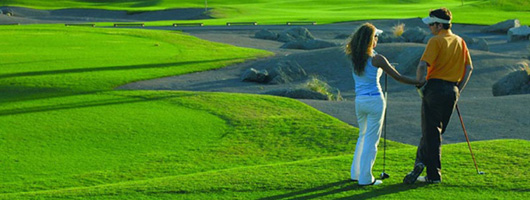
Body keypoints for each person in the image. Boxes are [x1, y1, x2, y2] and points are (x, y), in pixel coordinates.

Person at [345, 23, 423, 186]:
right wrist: (419, 81)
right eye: (375, 37)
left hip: (360, 101)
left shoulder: (355, 57)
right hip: (375, 101)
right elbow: (399, 77)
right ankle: (366, 178)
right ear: (370, 40)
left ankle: (356, 173)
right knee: (371, 140)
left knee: (363, 135)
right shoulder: (378, 59)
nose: (377, 39)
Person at [403, 7, 473, 184]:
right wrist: (458, 91)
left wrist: (419, 84)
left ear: (438, 25)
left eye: (431, 25)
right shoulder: (460, 41)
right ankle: (420, 162)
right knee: (434, 132)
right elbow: (469, 68)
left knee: (431, 132)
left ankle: (433, 175)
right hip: (452, 90)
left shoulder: (436, 41)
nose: (429, 28)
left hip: (434, 89)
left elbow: (422, 65)